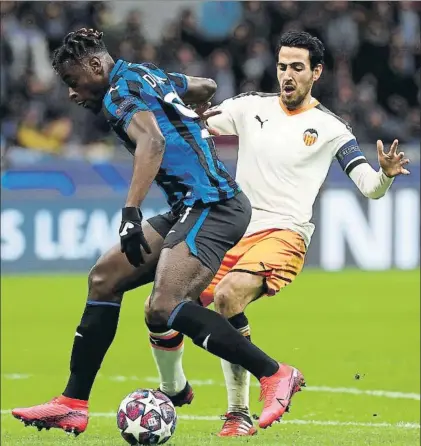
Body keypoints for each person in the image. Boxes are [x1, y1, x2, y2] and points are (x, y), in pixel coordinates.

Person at [11, 28, 305, 437]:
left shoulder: (118, 93)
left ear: (96, 65)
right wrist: (184, 110)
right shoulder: (145, 73)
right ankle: (72, 403)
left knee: (162, 307)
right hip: (189, 204)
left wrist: (130, 210)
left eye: (73, 81)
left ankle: (275, 373)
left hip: (214, 204)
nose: (73, 93)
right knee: (104, 278)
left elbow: (152, 143)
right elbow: (206, 85)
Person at [147, 31, 411, 437]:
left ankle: (239, 411)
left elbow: (369, 187)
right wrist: (169, 107)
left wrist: (386, 176)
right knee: (167, 305)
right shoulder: (250, 106)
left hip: (285, 232)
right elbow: (197, 126)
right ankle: (174, 389)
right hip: (234, 228)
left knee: (227, 295)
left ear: (316, 73)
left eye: (297, 68)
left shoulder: (331, 128)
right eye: (283, 66)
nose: (287, 75)